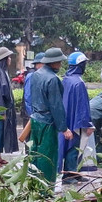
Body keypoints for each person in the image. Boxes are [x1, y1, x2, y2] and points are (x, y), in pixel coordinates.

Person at [28, 47, 72, 184]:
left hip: (35, 120)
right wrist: (64, 128)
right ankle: (45, 188)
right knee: (47, 157)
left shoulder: (36, 74)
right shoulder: (53, 79)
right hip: (48, 123)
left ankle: (33, 184)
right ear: (53, 62)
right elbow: (56, 106)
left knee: (34, 154)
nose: (60, 65)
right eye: (59, 62)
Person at [59, 51, 94, 181]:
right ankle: (69, 175)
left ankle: (72, 173)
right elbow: (83, 105)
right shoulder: (79, 82)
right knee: (74, 147)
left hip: (67, 118)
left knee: (69, 146)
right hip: (76, 120)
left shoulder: (66, 79)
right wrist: (87, 124)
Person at [23, 52, 44, 118]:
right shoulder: (32, 76)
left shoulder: (39, 75)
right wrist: (32, 116)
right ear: (39, 64)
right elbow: (28, 97)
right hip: (31, 115)